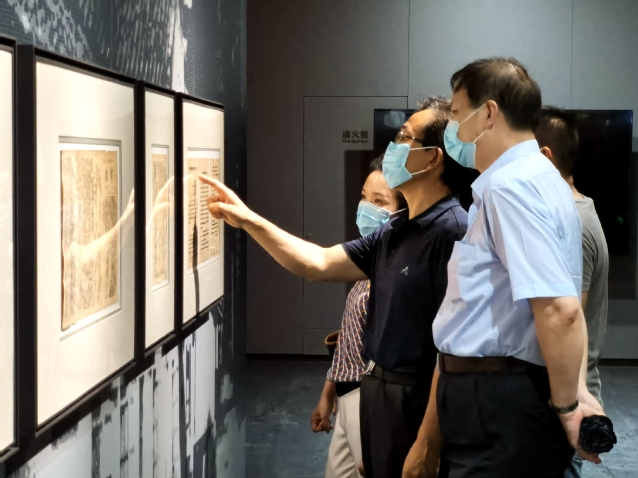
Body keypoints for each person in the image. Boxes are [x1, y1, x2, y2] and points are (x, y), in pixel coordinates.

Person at [200, 96, 474, 478]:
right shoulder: (395, 229)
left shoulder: (453, 232)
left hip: (416, 397)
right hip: (377, 389)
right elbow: (318, 263)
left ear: (432, 158)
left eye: (404, 137)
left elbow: (455, 352)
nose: (393, 147)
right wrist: (247, 219)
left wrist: (427, 442)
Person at [403, 58, 605, 478]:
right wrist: (574, 391)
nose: (454, 129)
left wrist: (568, 405)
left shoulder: (509, 185)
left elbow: (560, 311)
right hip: (503, 399)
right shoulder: (543, 180)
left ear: (489, 113)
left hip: (495, 404)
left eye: (457, 114)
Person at [310, 156, 406, 478]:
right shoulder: (369, 265)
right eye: (364, 197)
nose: (366, 208)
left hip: (371, 399)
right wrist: (328, 394)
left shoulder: (399, 273)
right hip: (347, 395)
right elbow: (348, 339)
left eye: (379, 201)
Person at [535, 106, 609, 478]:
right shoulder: (573, 212)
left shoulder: (572, 222)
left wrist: (567, 404)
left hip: (566, 397)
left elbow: (568, 320)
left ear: (544, 157)